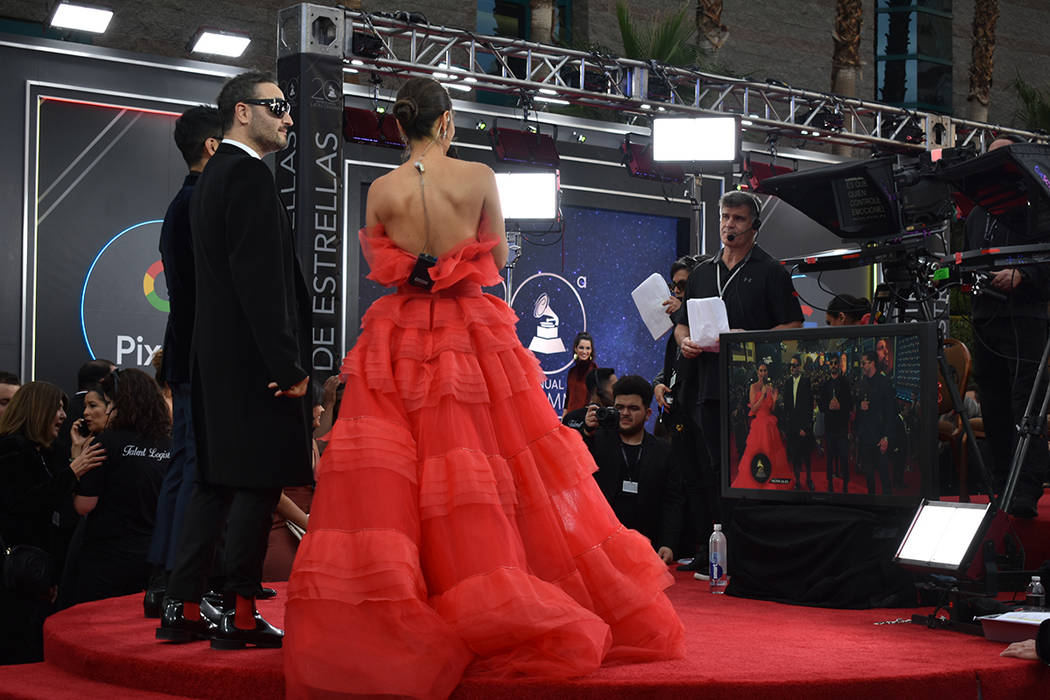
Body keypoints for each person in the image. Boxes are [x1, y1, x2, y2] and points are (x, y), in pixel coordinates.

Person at [284, 77, 683, 699]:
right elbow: (494, 260)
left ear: (399, 126)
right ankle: (491, 597)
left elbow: (382, 263)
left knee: (399, 474)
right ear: (446, 123)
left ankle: (412, 603)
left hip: (399, 335)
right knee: (489, 463)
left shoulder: (383, 189)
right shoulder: (477, 178)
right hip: (471, 332)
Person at [158, 71, 313, 649]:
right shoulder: (246, 175)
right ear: (242, 112)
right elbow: (258, 283)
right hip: (255, 363)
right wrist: (288, 364)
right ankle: (240, 614)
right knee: (255, 481)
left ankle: (183, 604)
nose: (289, 118)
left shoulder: (210, 178)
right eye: (277, 106)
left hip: (215, 360)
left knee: (213, 482)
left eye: (288, 108)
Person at [671, 190, 803, 570]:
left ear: (754, 228)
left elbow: (793, 324)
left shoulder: (771, 271)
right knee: (709, 468)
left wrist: (751, 338)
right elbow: (680, 327)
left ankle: (745, 548)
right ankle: (713, 544)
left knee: (747, 467)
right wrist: (687, 344)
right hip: (706, 382)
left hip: (750, 384)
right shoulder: (701, 273)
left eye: (738, 219)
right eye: (725, 217)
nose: (729, 225)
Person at [143, 105, 222, 618]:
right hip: (199, 354)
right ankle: (178, 582)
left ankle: (167, 580)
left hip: (186, 350)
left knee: (185, 464)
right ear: (212, 147)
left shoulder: (182, 203)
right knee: (195, 465)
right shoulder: (198, 205)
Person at [964, 137, 1050, 518]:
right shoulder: (977, 213)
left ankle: (1026, 491)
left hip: (1025, 319)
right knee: (995, 406)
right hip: (985, 319)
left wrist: (1024, 274)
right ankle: (1001, 486)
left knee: (1025, 406)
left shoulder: (1037, 202)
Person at [0, 382, 103, 664]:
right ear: (37, 410)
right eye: (57, 408)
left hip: (35, 573)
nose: (62, 415)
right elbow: (24, 504)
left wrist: (73, 456)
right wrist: (75, 468)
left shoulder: (39, 451)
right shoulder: (12, 448)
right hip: (15, 577)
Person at [65, 369, 170, 605]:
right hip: (154, 556)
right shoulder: (168, 444)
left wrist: (75, 464)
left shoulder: (105, 443)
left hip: (108, 556)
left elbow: (84, 505)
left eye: (109, 402)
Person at [583, 375, 683, 564]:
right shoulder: (597, 441)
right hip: (602, 547)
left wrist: (669, 544)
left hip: (648, 549)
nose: (625, 413)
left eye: (633, 408)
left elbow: (673, 501)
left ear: (648, 414)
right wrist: (587, 432)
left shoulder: (664, 451)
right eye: (619, 407)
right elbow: (573, 472)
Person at [735, 363, 790, 488]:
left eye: (765, 370)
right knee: (758, 453)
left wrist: (774, 400)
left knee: (771, 454)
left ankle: (771, 481)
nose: (763, 373)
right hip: (759, 426)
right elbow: (753, 408)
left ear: (767, 372)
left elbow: (771, 408)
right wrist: (762, 396)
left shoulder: (770, 388)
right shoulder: (753, 387)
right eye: (761, 370)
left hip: (770, 425)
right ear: (758, 373)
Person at [855, 351, 896, 495]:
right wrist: (860, 406)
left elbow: (891, 412)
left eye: (863, 363)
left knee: (884, 476)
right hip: (865, 437)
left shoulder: (884, 382)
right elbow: (857, 409)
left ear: (872, 363)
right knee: (869, 475)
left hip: (880, 437)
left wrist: (886, 437)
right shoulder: (861, 383)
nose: (861, 366)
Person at [819, 352, 853, 493]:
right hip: (830, 428)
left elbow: (850, 404)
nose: (833, 365)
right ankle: (830, 486)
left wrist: (840, 406)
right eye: (831, 363)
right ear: (829, 366)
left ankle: (845, 486)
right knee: (830, 459)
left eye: (835, 363)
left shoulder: (845, 383)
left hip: (842, 428)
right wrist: (828, 406)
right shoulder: (825, 384)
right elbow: (821, 405)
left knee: (844, 458)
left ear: (839, 365)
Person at [781, 354, 815, 491]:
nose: (792, 368)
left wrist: (804, 428)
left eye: (794, 365)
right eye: (790, 365)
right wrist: (790, 427)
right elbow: (788, 408)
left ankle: (809, 479)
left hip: (804, 427)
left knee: (806, 456)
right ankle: (797, 481)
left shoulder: (806, 382)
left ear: (799, 367)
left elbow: (809, 407)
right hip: (793, 428)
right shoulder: (788, 383)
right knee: (795, 457)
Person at [562, 366, 617, 433]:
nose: (618, 391)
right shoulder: (571, 419)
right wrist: (587, 431)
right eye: (614, 387)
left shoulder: (621, 418)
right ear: (598, 391)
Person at [563, 331, 596, 414]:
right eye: (581, 347)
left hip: (585, 418)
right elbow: (568, 397)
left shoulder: (594, 370)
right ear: (575, 349)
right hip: (570, 418)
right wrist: (564, 417)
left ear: (591, 350)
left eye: (588, 348)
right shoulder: (572, 371)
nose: (584, 352)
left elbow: (595, 399)